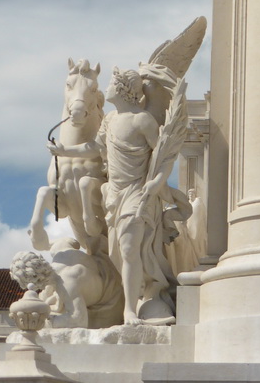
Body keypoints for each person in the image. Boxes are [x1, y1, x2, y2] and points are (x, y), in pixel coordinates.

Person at [99, 67, 176, 325]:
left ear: (122, 89)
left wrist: (157, 182)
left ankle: (129, 311)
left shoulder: (142, 120)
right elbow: (94, 148)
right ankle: (144, 295)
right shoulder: (109, 120)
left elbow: (164, 156)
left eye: (110, 83)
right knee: (116, 254)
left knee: (130, 249)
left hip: (138, 193)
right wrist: (64, 149)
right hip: (115, 196)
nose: (106, 88)